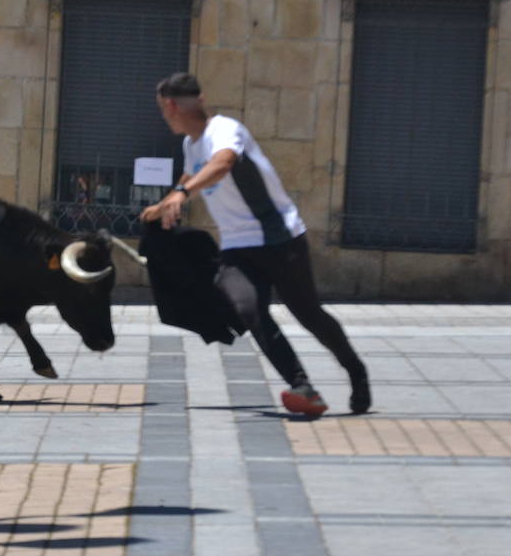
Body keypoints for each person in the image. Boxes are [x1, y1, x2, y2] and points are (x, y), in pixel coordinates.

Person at [140, 72, 370, 418]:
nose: (164, 116)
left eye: (163, 110)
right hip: (236, 246)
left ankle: (356, 370)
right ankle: (301, 385)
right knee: (248, 308)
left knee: (309, 315)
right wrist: (166, 202)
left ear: (171, 106)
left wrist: (184, 194)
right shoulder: (191, 145)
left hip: (279, 238)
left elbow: (223, 163)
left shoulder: (225, 130)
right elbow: (192, 172)